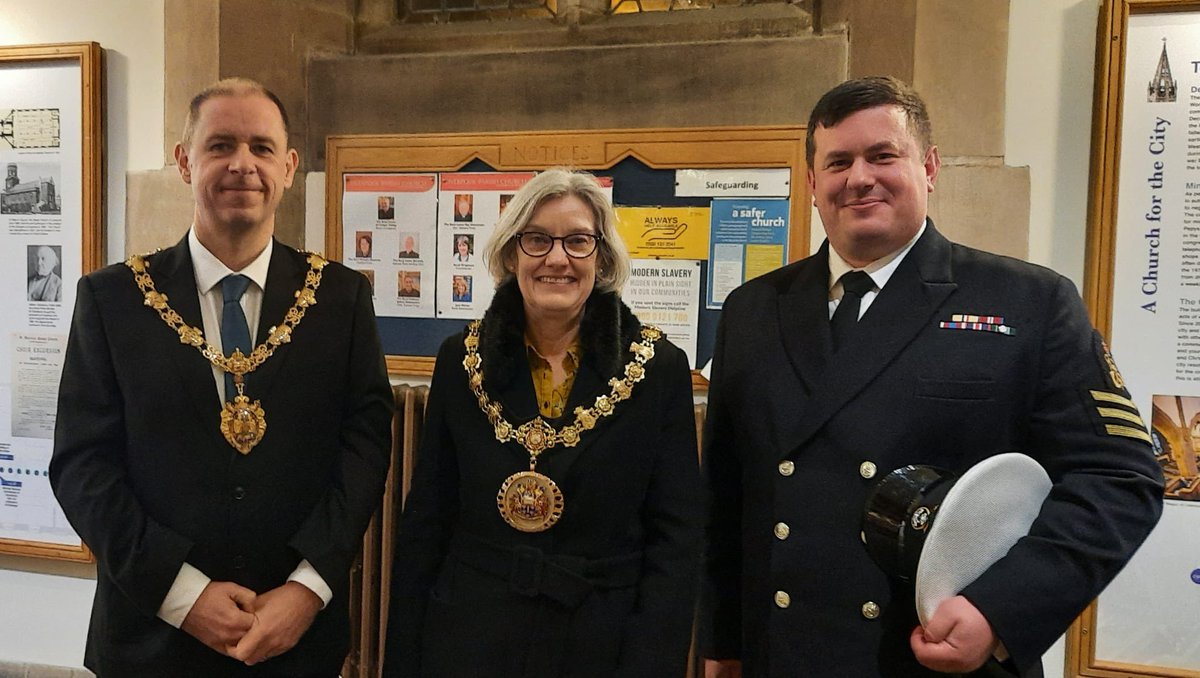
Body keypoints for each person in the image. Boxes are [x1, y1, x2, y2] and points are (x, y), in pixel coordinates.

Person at [699, 76, 1165, 678]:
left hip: (932, 656)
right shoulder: (753, 309)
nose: (859, 177)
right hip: (783, 653)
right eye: (838, 162)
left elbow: (1120, 479)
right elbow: (726, 499)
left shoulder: (1029, 301)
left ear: (930, 166)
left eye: (883, 155)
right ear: (813, 185)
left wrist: (999, 610)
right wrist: (722, 645)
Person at [50, 77, 393, 678]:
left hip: (293, 639)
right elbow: (82, 466)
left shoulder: (340, 298)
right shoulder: (113, 300)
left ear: (288, 167)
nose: (243, 165)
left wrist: (307, 589)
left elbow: (363, 452)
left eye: (262, 148)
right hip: (148, 639)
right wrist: (182, 597)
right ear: (185, 162)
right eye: (220, 146)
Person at [384, 168, 702, 677]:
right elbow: (428, 519)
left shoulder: (657, 368)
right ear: (512, 254)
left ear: (601, 258)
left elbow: (677, 540)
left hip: (600, 641)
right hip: (470, 637)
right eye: (537, 240)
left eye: (578, 241)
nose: (557, 258)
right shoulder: (460, 361)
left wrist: (652, 662)